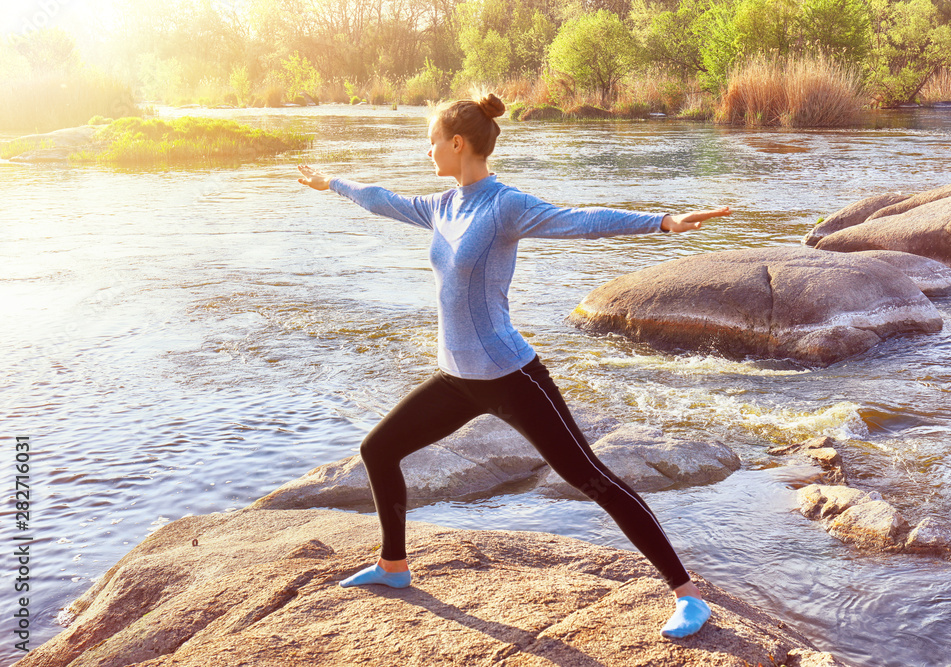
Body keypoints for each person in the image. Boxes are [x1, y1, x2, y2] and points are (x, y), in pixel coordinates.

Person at [296, 92, 731, 640]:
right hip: (458, 379)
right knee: (378, 449)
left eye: (432, 141)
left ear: (457, 143)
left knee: (589, 476)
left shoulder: (503, 205)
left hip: (510, 375)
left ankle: (688, 596)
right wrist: (332, 183)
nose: (427, 151)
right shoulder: (442, 205)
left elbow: (580, 220)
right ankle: (394, 566)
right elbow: (384, 198)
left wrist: (662, 221)